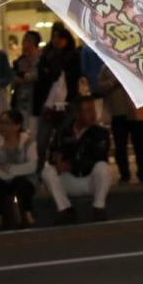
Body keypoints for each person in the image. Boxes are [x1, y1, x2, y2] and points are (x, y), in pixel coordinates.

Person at [40, 95, 112, 224]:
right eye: (88, 111)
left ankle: (99, 207)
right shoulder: (63, 132)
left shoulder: (101, 133)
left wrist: (71, 165)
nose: (93, 114)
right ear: (77, 114)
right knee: (47, 171)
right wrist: (56, 160)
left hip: (90, 179)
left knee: (103, 167)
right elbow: (52, 153)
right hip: (69, 178)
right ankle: (65, 209)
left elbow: (98, 158)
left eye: (93, 110)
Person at [33, 23, 81, 173]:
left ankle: (65, 168)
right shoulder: (46, 55)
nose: (57, 40)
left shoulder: (73, 56)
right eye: (54, 37)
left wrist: (51, 72)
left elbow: (73, 77)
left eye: (60, 38)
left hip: (68, 102)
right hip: (48, 103)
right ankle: (41, 169)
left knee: (64, 137)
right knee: (42, 140)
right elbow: (43, 77)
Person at [0, 109, 37, 229]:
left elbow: (32, 166)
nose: (2, 127)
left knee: (22, 183)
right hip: (1, 181)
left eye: (6, 123)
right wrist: (15, 171)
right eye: (0, 123)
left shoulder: (28, 142)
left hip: (21, 180)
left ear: (17, 126)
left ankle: (27, 212)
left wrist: (8, 168)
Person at [99, 63, 143, 184]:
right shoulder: (107, 66)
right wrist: (114, 82)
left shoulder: (136, 62)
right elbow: (101, 86)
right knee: (120, 146)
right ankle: (124, 174)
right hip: (117, 111)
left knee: (140, 145)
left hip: (136, 110)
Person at [12, 30, 42, 143]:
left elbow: (38, 77)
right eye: (24, 40)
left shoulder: (42, 60)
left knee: (34, 136)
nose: (25, 44)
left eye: (28, 41)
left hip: (36, 103)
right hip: (21, 103)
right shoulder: (19, 61)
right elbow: (14, 77)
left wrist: (25, 77)